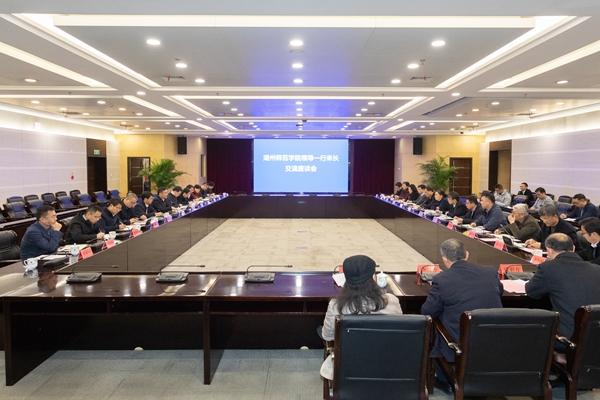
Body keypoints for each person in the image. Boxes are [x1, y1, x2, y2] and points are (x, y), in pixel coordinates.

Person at [421, 239, 503, 391]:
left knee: (436, 323)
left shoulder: (442, 279)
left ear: (444, 259)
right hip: (494, 336)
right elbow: (500, 293)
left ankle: (445, 380)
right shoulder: (490, 272)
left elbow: (428, 312)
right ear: (466, 254)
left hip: (460, 342)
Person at [526, 233, 600, 341]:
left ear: (549, 250)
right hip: (595, 337)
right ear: (573, 248)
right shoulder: (597, 269)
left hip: (567, 338)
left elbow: (531, 292)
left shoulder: (548, 267)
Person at [321, 255, 403, 341]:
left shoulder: (335, 306)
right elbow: (399, 331)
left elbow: (327, 337)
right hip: (384, 348)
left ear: (346, 279)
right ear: (373, 277)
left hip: (350, 349)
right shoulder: (392, 301)